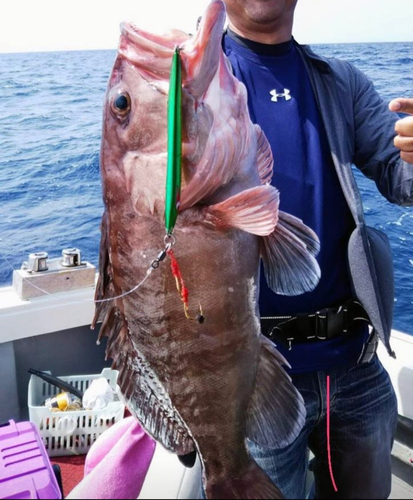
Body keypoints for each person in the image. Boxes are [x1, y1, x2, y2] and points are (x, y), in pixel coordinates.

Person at [220, 0, 413, 498]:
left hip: (357, 364)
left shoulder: (340, 81)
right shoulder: (193, 87)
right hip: (252, 382)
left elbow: (399, 176)